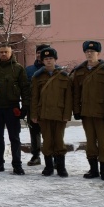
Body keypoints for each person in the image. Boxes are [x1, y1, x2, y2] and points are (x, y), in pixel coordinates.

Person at [71, 40, 104, 181]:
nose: (89, 54)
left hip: (102, 113)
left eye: (92, 51)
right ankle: (93, 169)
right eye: (87, 52)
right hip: (86, 112)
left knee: (103, 142)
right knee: (90, 142)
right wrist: (76, 110)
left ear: (98, 53)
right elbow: (76, 93)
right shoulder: (79, 71)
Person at [0, 44, 32, 175]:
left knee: (14, 138)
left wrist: (25, 108)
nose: (3, 54)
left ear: (11, 53)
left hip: (12, 108)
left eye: (6, 52)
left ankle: (17, 165)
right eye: (1, 52)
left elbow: (25, 88)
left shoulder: (18, 69)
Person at [30, 47, 73, 177]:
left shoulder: (64, 76)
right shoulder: (37, 77)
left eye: (51, 59)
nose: (48, 61)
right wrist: (34, 114)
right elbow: (34, 97)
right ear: (42, 61)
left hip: (59, 114)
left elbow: (68, 97)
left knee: (59, 141)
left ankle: (61, 167)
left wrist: (67, 114)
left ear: (55, 60)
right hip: (44, 114)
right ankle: (48, 167)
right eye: (46, 59)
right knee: (47, 141)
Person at [24, 43, 50, 167]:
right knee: (34, 132)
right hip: (32, 106)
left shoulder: (55, 70)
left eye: (43, 52)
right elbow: (24, 88)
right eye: (38, 52)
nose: (40, 55)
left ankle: (52, 157)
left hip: (50, 107)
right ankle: (36, 156)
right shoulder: (29, 70)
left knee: (50, 133)